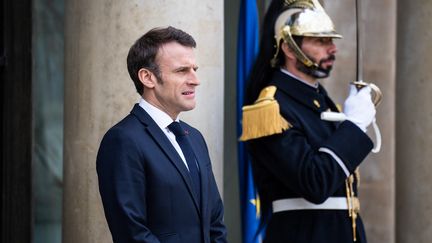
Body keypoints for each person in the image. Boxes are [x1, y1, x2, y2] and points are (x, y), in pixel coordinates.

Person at [240, 0, 376, 242]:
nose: (332, 48)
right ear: (290, 48)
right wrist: (353, 126)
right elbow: (314, 182)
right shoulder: (271, 108)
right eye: (321, 41)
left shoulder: (322, 102)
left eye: (331, 40)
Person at [96, 26, 227, 243]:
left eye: (195, 69)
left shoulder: (194, 138)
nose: (195, 80)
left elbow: (215, 223)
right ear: (148, 78)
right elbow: (132, 233)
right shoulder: (122, 140)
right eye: (182, 70)